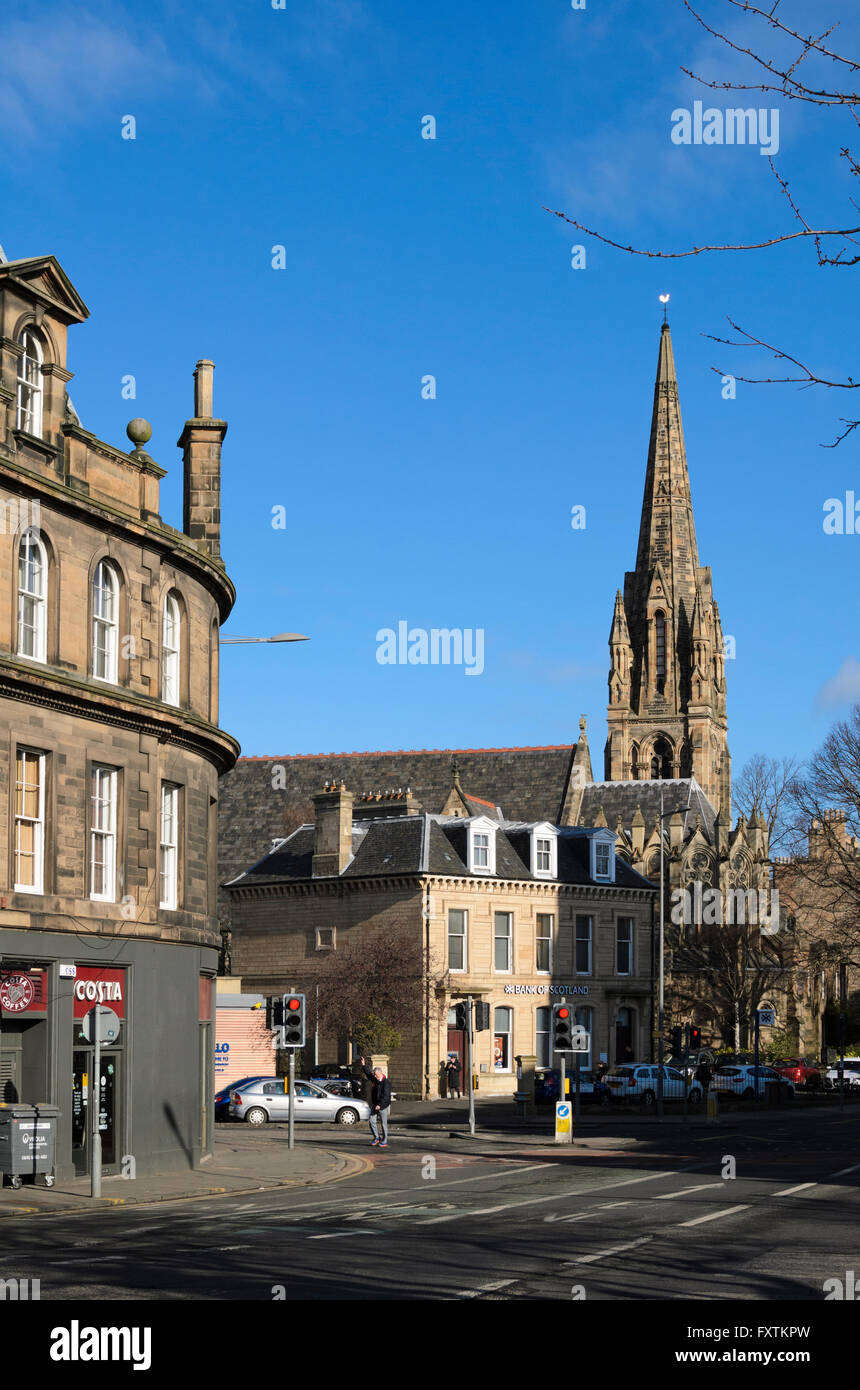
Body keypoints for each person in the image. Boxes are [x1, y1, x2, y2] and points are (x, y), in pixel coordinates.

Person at [359, 1056, 392, 1147]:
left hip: (382, 1106)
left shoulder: (386, 1083)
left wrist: (380, 1105)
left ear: (380, 1073)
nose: (375, 1077)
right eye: (375, 1075)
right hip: (375, 1104)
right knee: (372, 1121)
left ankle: (384, 1141)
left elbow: (386, 1096)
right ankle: (376, 1137)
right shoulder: (375, 1079)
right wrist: (364, 1065)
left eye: (376, 1075)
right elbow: (369, 1074)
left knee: (383, 1124)